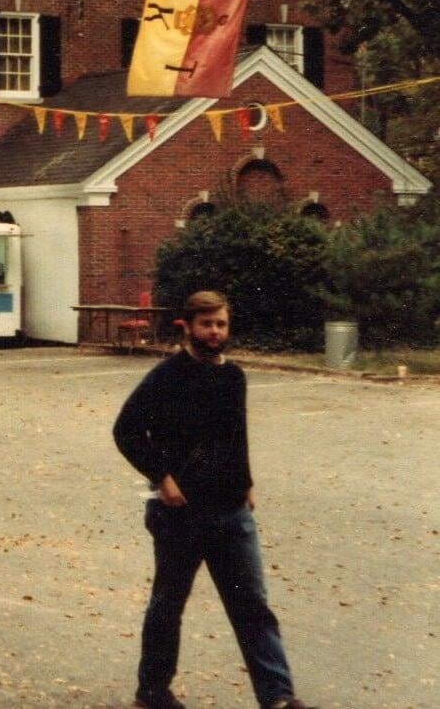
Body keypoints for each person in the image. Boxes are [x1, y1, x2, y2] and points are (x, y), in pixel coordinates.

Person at [113, 291, 317, 709]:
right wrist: (162, 478)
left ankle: (277, 697)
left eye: (221, 324)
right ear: (187, 326)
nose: (215, 332)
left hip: (231, 512)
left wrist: (246, 483)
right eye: (206, 324)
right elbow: (126, 429)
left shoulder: (233, 376)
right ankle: (152, 692)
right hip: (180, 514)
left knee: (253, 606)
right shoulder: (167, 375)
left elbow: (235, 436)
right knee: (168, 605)